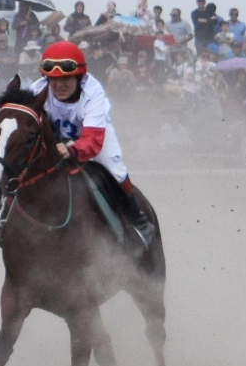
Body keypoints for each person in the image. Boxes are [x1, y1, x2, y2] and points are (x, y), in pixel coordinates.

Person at [33, 40, 160, 255]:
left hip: (94, 133)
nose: (58, 85)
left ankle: (139, 223)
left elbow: (92, 139)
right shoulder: (37, 90)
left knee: (113, 166)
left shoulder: (93, 92)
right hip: (56, 136)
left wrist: (72, 150)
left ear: (79, 76)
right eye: (53, 80)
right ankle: (6, 216)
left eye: (65, 79)